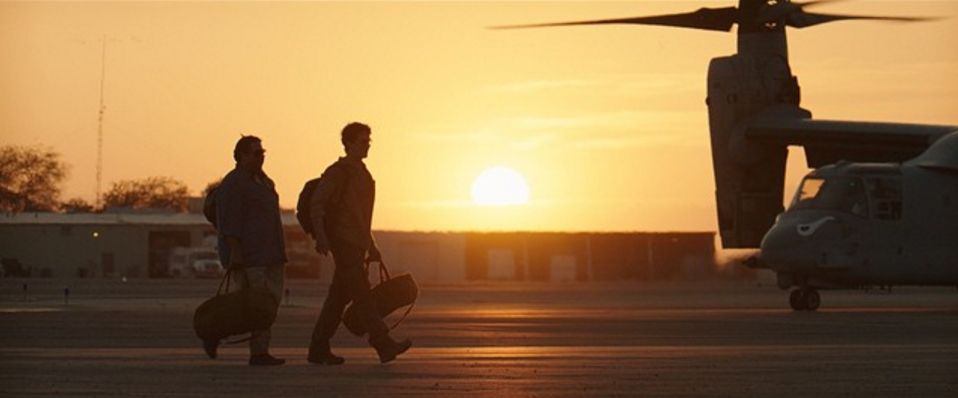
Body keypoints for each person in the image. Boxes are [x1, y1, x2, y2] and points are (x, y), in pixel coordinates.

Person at [307, 122, 412, 365]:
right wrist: (322, 237)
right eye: (363, 141)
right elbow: (317, 205)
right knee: (363, 296)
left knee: (337, 299)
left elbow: (362, 218)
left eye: (369, 141)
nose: (368, 146)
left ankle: (318, 347)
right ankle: (383, 344)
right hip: (343, 243)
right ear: (349, 144)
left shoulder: (363, 174)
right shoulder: (337, 172)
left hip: (356, 243)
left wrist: (371, 246)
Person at [210, 135, 288, 366]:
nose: (261, 157)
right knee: (253, 307)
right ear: (241, 156)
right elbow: (230, 222)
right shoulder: (234, 184)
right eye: (256, 153)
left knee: (268, 304)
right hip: (250, 257)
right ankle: (255, 350)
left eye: (262, 152)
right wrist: (235, 253)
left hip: (271, 254)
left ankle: (259, 349)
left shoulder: (264, 182)